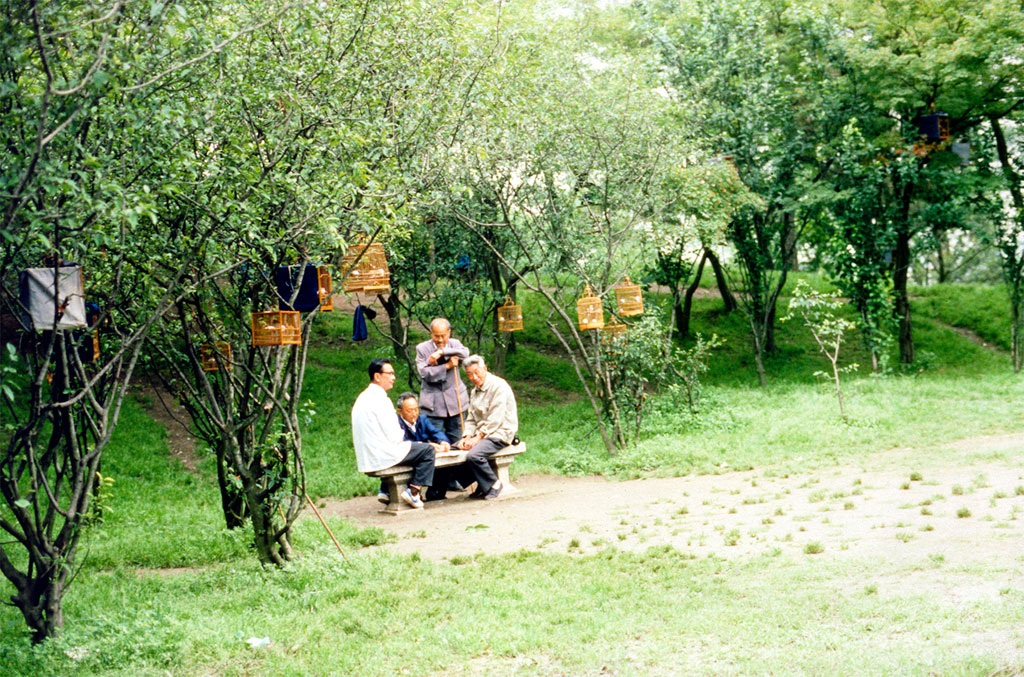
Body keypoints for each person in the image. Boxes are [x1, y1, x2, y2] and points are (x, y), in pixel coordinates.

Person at [351, 358, 435, 509]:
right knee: (427, 450)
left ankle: (386, 491)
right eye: (389, 373)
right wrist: (415, 444)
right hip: (383, 454)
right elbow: (395, 435)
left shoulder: (362, 398)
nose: (393, 377)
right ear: (377, 376)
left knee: (417, 448)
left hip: (368, 456)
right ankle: (414, 491)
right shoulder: (380, 400)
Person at [456, 354, 518, 500]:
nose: (474, 377)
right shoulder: (474, 391)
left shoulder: (499, 386)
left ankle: (494, 484)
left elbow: (495, 420)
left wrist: (477, 438)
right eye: (470, 374)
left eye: (477, 372)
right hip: (482, 434)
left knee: (474, 455)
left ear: (485, 368)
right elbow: (471, 418)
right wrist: (467, 436)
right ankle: (480, 484)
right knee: (456, 448)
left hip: (500, 432)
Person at [391, 392, 465, 503]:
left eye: (416, 410)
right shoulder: (396, 424)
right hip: (406, 456)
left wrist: (443, 442)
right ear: (400, 411)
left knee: (444, 460)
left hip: (423, 456)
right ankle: (411, 492)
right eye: (409, 410)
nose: (414, 414)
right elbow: (403, 442)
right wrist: (428, 446)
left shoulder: (422, 419)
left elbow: (436, 432)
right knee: (427, 456)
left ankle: (435, 494)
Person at [416, 318, 470, 443]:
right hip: (433, 406)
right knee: (436, 444)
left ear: (449, 333)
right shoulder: (422, 349)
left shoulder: (454, 344)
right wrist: (447, 366)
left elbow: (465, 353)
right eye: (436, 336)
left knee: (460, 441)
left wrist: (442, 352)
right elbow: (424, 373)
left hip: (456, 403)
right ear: (431, 333)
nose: (440, 340)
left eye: (443, 336)